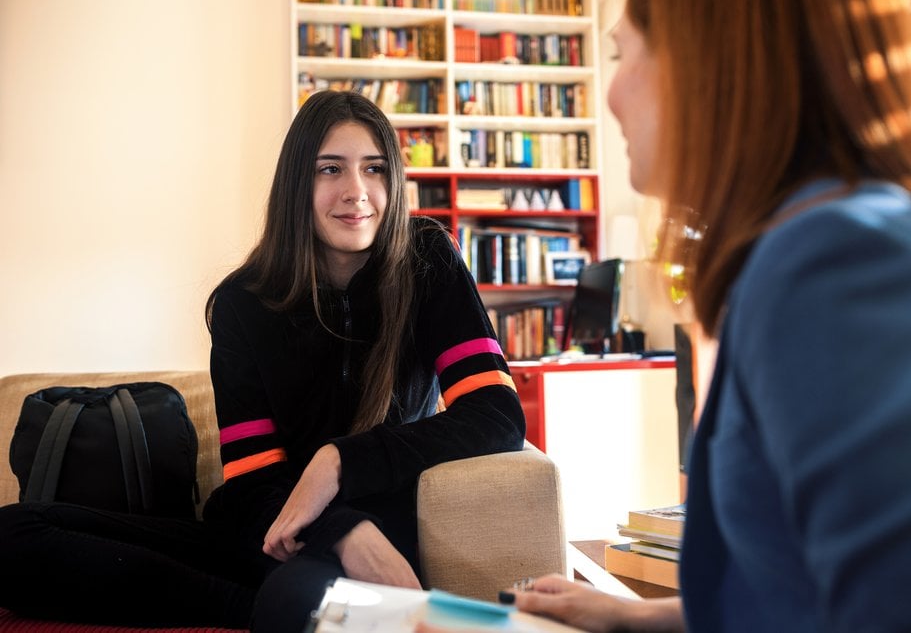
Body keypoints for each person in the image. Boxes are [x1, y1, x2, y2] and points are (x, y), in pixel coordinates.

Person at [491, 0, 911, 631]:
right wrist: (630, 618)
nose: (610, 94)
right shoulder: (828, 241)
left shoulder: (832, 263)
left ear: (710, 62)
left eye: (620, 54)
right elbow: (797, 594)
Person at [0, 90, 526, 632]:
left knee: (297, 599)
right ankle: (262, 607)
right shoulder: (242, 301)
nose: (357, 192)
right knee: (13, 534)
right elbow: (252, 480)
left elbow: (496, 415)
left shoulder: (428, 259)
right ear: (298, 184)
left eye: (374, 169)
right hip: (270, 531)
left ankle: (285, 607)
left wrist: (340, 462)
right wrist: (341, 528)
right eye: (330, 169)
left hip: (375, 535)